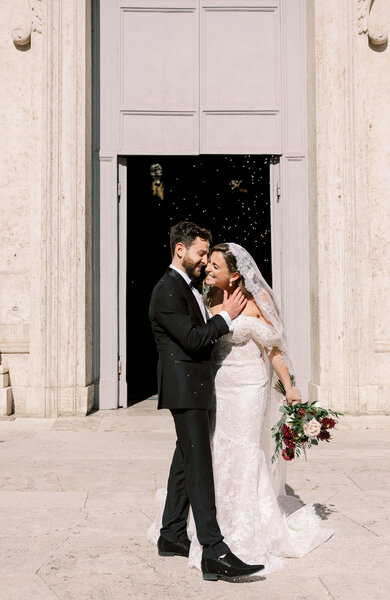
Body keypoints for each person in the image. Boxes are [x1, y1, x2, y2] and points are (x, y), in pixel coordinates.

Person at [184, 242, 334, 571]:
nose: (208, 269)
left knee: (245, 448)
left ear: (236, 275)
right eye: (208, 264)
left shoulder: (254, 301)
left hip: (251, 386)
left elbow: (274, 349)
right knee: (219, 447)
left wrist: (291, 386)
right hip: (219, 385)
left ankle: (248, 524)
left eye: (215, 267)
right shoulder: (206, 296)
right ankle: (212, 521)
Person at [148, 223, 264, 581]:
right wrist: (228, 315)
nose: (204, 261)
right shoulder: (167, 290)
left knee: (185, 461)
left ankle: (170, 534)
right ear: (180, 250)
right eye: (200, 253)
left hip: (195, 386)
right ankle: (214, 551)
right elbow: (195, 339)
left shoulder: (185, 287)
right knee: (200, 467)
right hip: (186, 389)